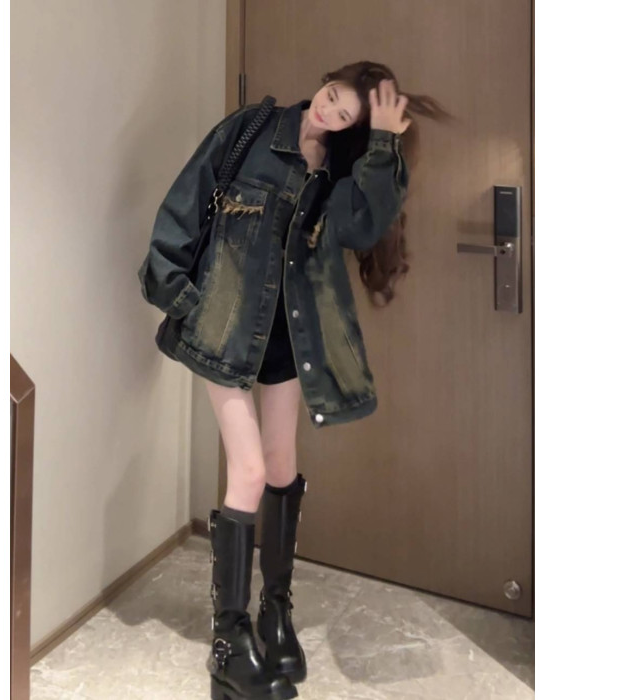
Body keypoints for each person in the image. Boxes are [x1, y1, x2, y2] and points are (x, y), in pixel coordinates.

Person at [138, 61, 452, 700]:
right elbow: (188, 196)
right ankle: (228, 643)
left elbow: (362, 227)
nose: (327, 111)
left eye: (345, 115)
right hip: (226, 331)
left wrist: (383, 143)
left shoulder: (338, 171)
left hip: (287, 338)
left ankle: (274, 615)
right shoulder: (252, 130)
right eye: (332, 96)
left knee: (282, 468)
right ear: (326, 81)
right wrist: (177, 294)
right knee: (250, 471)